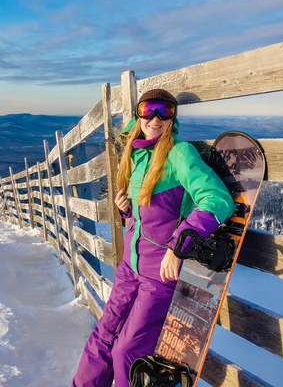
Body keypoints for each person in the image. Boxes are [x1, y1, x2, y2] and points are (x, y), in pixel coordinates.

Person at [72, 88, 234, 387]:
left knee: (126, 350)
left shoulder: (179, 153)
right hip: (129, 267)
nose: (156, 118)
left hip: (159, 274)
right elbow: (150, 217)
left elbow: (217, 199)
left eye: (165, 111)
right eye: (149, 110)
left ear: (173, 118)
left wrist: (180, 245)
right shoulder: (137, 154)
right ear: (139, 115)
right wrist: (127, 211)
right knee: (103, 335)